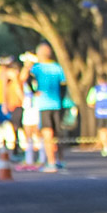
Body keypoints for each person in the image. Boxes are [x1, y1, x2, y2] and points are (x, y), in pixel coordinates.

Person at [19, 44, 68, 172]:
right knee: (57, 133)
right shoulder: (57, 67)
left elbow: (24, 79)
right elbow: (64, 85)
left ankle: (51, 162)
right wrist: (61, 99)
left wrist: (34, 91)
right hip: (57, 103)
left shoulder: (37, 68)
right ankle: (60, 160)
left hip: (44, 104)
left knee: (47, 133)